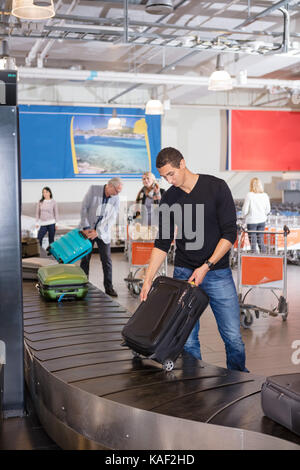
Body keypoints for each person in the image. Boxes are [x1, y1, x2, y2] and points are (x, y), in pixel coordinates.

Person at [140, 147, 248, 372]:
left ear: (182, 163)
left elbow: (230, 234)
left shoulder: (216, 187)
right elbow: (162, 241)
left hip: (217, 273)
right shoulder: (169, 197)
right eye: (164, 177)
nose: (169, 180)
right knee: (187, 339)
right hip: (183, 274)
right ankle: (193, 384)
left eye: (171, 174)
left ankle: (239, 380)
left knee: (233, 337)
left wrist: (206, 266)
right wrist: (148, 277)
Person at [79, 177, 123, 297]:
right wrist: (87, 227)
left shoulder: (116, 198)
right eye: (117, 190)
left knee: (107, 261)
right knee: (85, 259)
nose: (118, 194)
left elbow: (112, 218)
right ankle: (83, 285)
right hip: (88, 230)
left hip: (103, 232)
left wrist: (98, 232)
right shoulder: (94, 190)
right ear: (109, 186)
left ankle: (109, 288)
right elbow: (84, 208)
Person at [242, 177, 271, 253]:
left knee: (253, 242)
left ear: (251, 185)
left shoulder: (249, 195)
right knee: (260, 239)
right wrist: (262, 214)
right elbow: (268, 209)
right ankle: (264, 257)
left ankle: (254, 259)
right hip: (262, 221)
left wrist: (243, 215)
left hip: (252, 221)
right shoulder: (265, 195)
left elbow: (245, 210)